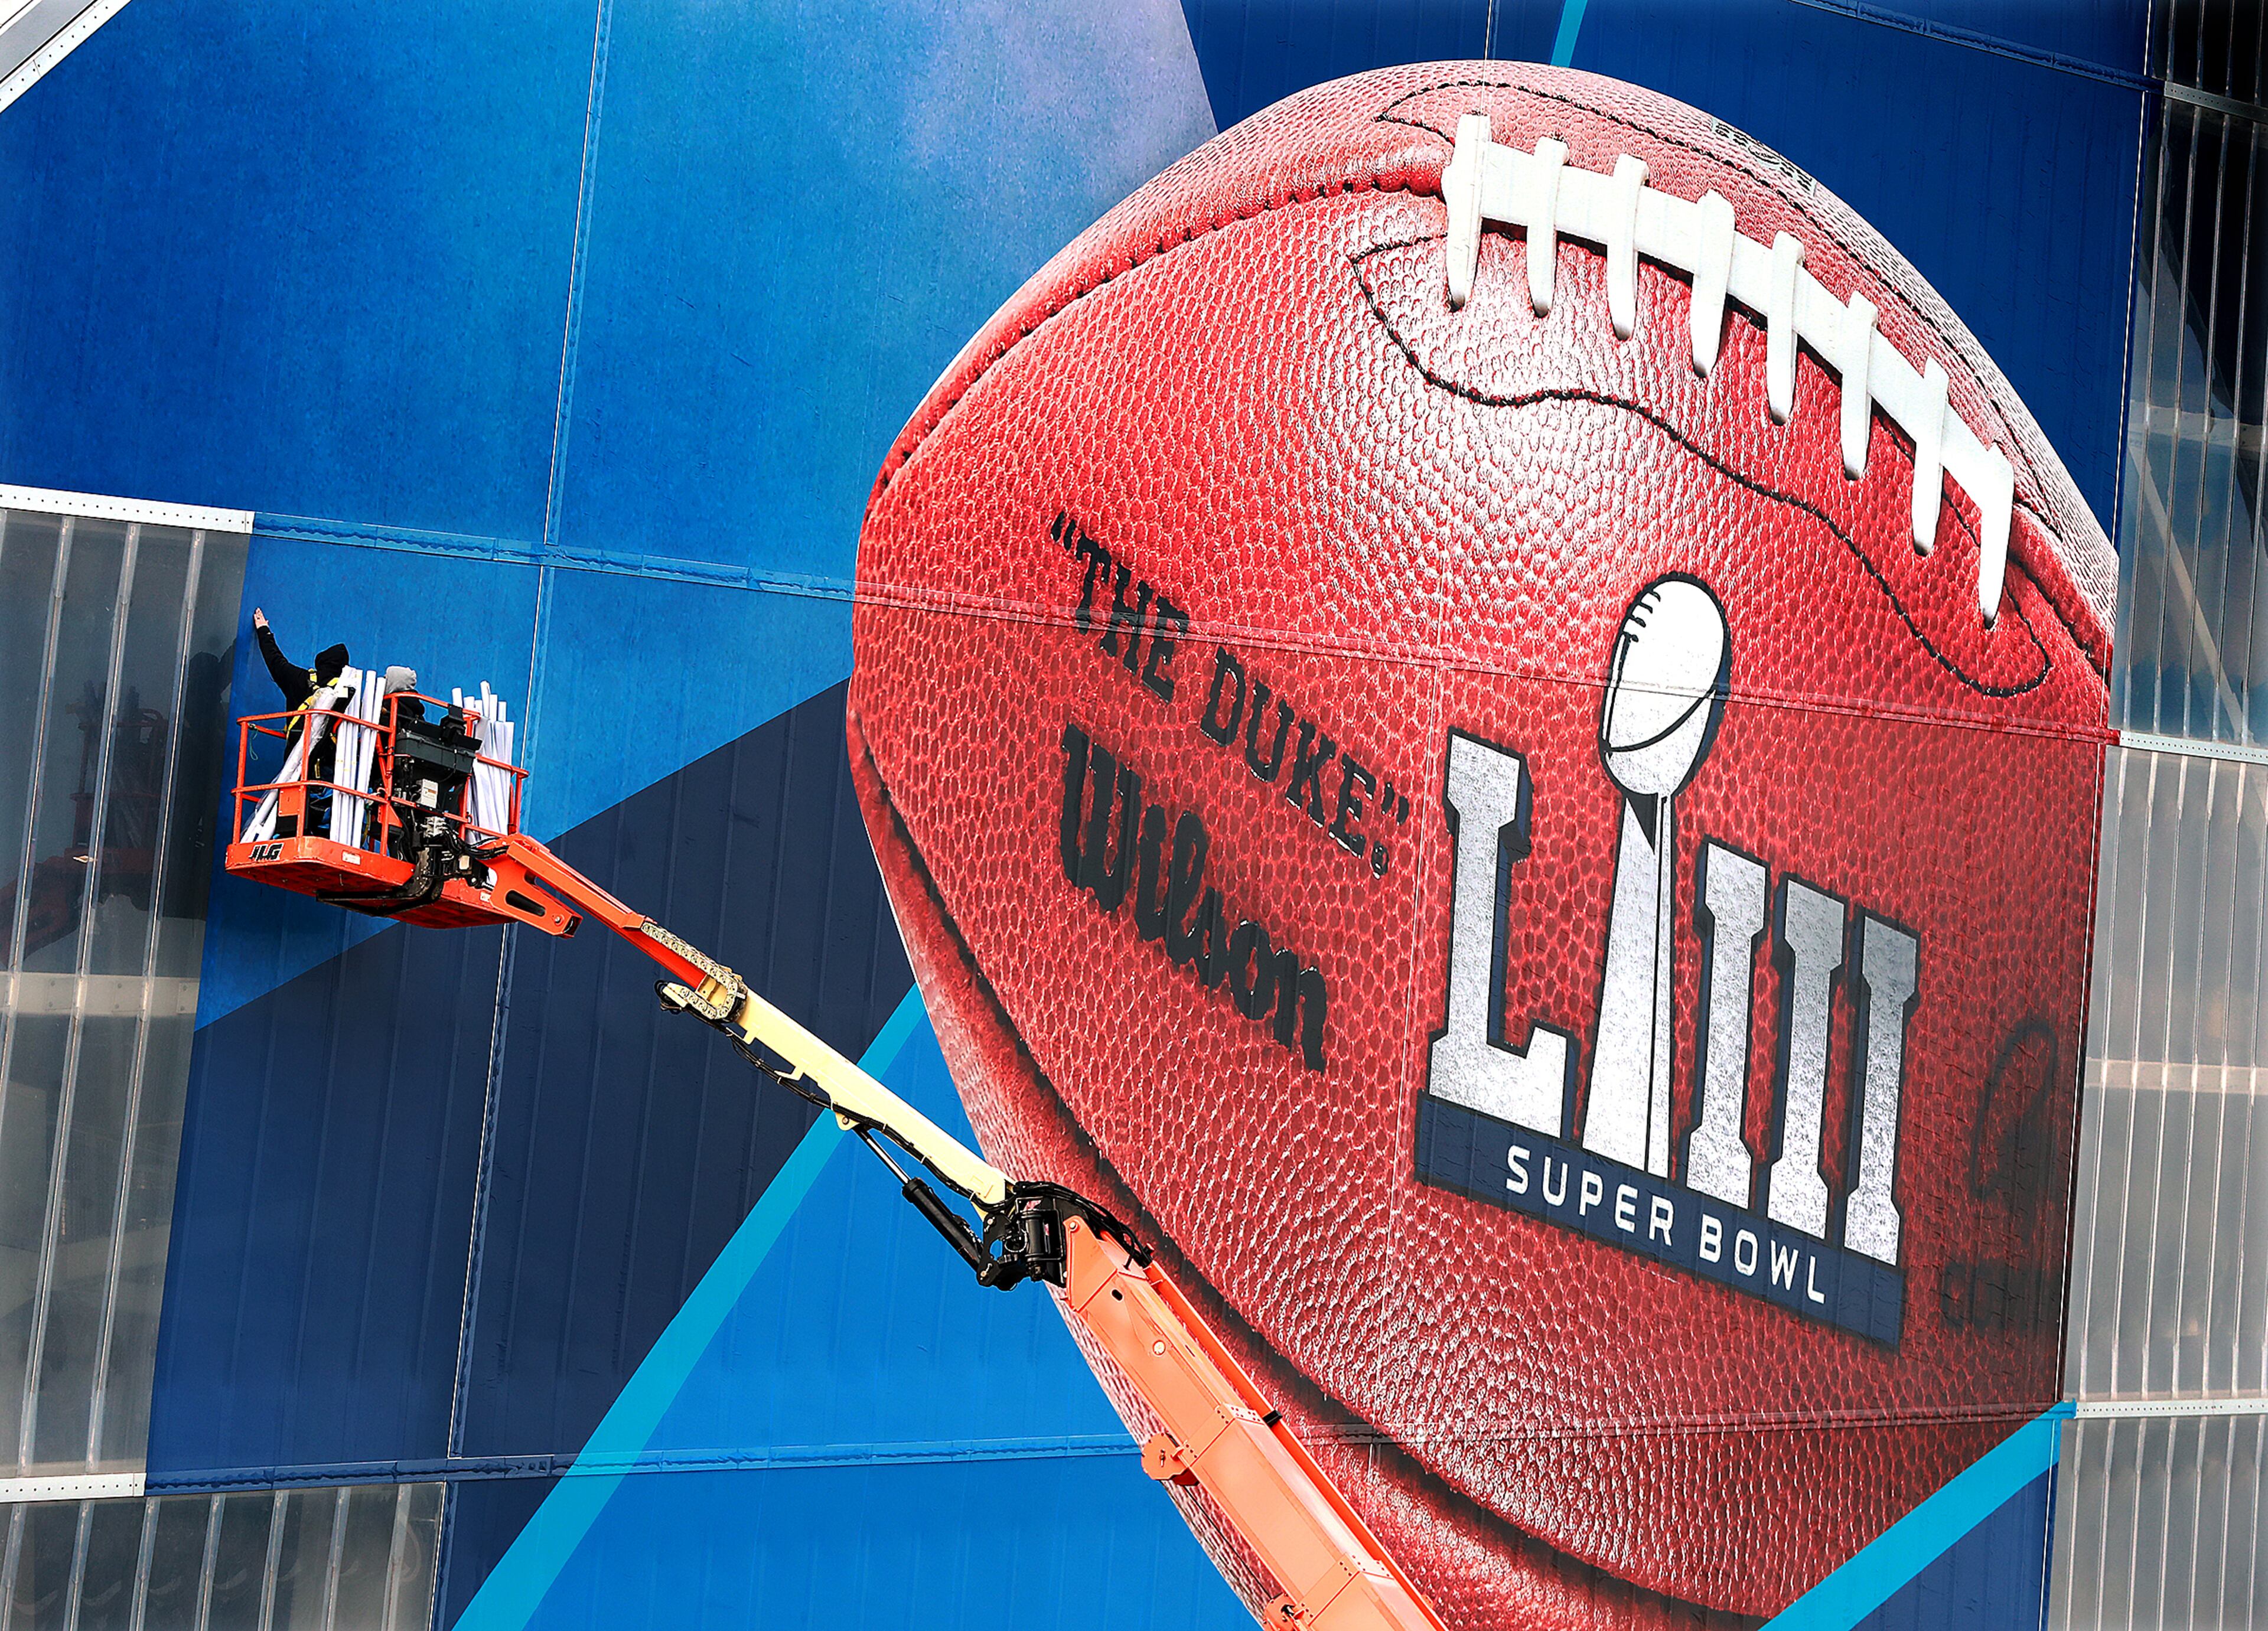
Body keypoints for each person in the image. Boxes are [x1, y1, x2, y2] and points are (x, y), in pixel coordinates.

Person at [250, 609, 350, 834]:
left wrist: (264, 630)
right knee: (326, 829)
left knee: (290, 826)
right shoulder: (350, 695)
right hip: (334, 778)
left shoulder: (301, 681)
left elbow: (275, 661)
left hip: (296, 771)